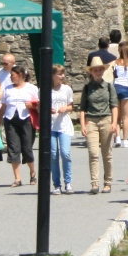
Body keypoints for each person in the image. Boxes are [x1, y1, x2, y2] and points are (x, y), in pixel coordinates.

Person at [80, 57, 119, 194]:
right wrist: (82, 124)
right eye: (95, 70)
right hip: (91, 121)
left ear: (103, 70)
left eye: (99, 69)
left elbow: (114, 106)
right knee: (93, 153)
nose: (97, 72)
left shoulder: (109, 86)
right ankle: (94, 183)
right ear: (91, 72)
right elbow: (83, 108)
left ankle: (108, 182)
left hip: (106, 120)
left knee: (107, 153)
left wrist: (114, 123)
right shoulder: (87, 88)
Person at [1, 64, 38, 187]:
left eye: (12, 75)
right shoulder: (7, 89)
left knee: (27, 147)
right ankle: (17, 178)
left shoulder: (31, 88)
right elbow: (4, 106)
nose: (11, 77)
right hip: (10, 119)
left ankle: (32, 173)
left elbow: (39, 105)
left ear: (20, 75)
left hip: (26, 119)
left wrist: (32, 106)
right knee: (13, 148)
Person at [49, 65, 74, 195]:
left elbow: (71, 106)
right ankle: (57, 184)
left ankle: (68, 182)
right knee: (53, 155)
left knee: (65, 153)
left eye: (63, 74)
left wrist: (66, 108)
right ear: (53, 75)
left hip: (64, 124)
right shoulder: (45, 90)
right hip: (51, 125)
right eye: (59, 74)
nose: (62, 76)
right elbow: (39, 107)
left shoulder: (66, 89)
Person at [113, 41, 128, 147]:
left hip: (115, 88)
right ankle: (126, 140)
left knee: (116, 116)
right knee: (125, 117)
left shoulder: (115, 62)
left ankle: (117, 138)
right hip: (127, 89)